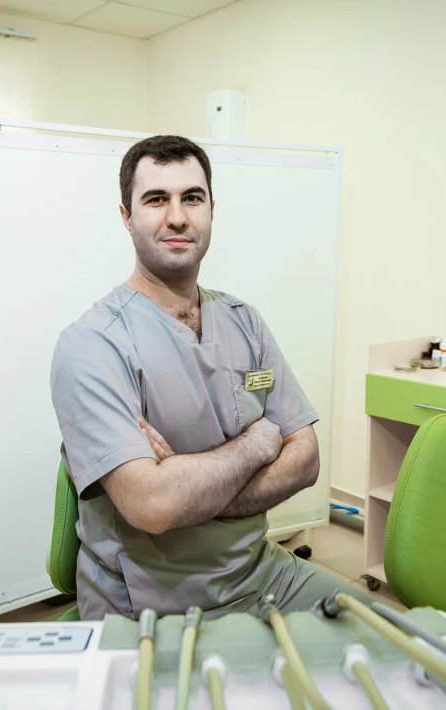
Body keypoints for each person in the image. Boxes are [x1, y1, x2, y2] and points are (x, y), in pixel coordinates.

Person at [50, 134, 372, 621]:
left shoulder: (245, 321)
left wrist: (192, 489)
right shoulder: (93, 345)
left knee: (391, 636)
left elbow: (306, 459)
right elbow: (154, 505)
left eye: (192, 198)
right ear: (126, 216)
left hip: (263, 573)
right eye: (156, 199)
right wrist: (260, 443)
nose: (177, 217)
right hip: (153, 600)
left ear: (212, 211)